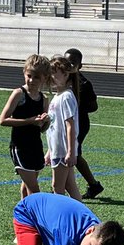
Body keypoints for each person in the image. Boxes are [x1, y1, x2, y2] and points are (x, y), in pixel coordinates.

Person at [0, 54, 50, 199]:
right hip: (20, 146)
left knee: (26, 188)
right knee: (34, 189)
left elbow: (41, 129)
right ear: (24, 73)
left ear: (44, 78)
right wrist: (29, 121)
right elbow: (3, 120)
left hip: (35, 146)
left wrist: (45, 121)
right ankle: (35, 220)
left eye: (37, 77)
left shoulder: (43, 99)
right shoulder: (19, 94)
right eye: (29, 75)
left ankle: (23, 220)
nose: (32, 80)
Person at [63, 48, 104, 199]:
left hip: (79, 123)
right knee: (70, 153)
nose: (69, 65)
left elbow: (94, 107)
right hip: (67, 122)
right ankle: (91, 185)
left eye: (73, 63)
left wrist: (76, 106)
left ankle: (92, 185)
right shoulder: (63, 78)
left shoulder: (84, 83)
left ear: (80, 65)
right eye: (66, 62)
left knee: (73, 153)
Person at [45, 54, 82, 200]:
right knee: (70, 186)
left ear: (66, 75)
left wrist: (71, 152)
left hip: (63, 150)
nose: (51, 77)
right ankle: (84, 220)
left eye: (54, 73)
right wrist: (49, 150)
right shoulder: (57, 96)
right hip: (57, 149)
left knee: (57, 186)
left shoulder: (66, 96)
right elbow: (55, 126)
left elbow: (70, 126)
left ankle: (61, 219)